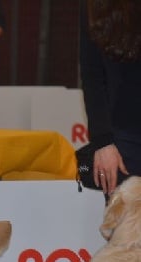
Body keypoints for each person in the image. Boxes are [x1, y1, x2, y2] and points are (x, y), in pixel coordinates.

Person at [80, 0, 141, 196]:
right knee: (126, 224)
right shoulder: (95, 6)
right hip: (122, 140)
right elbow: (92, 76)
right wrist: (103, 142)